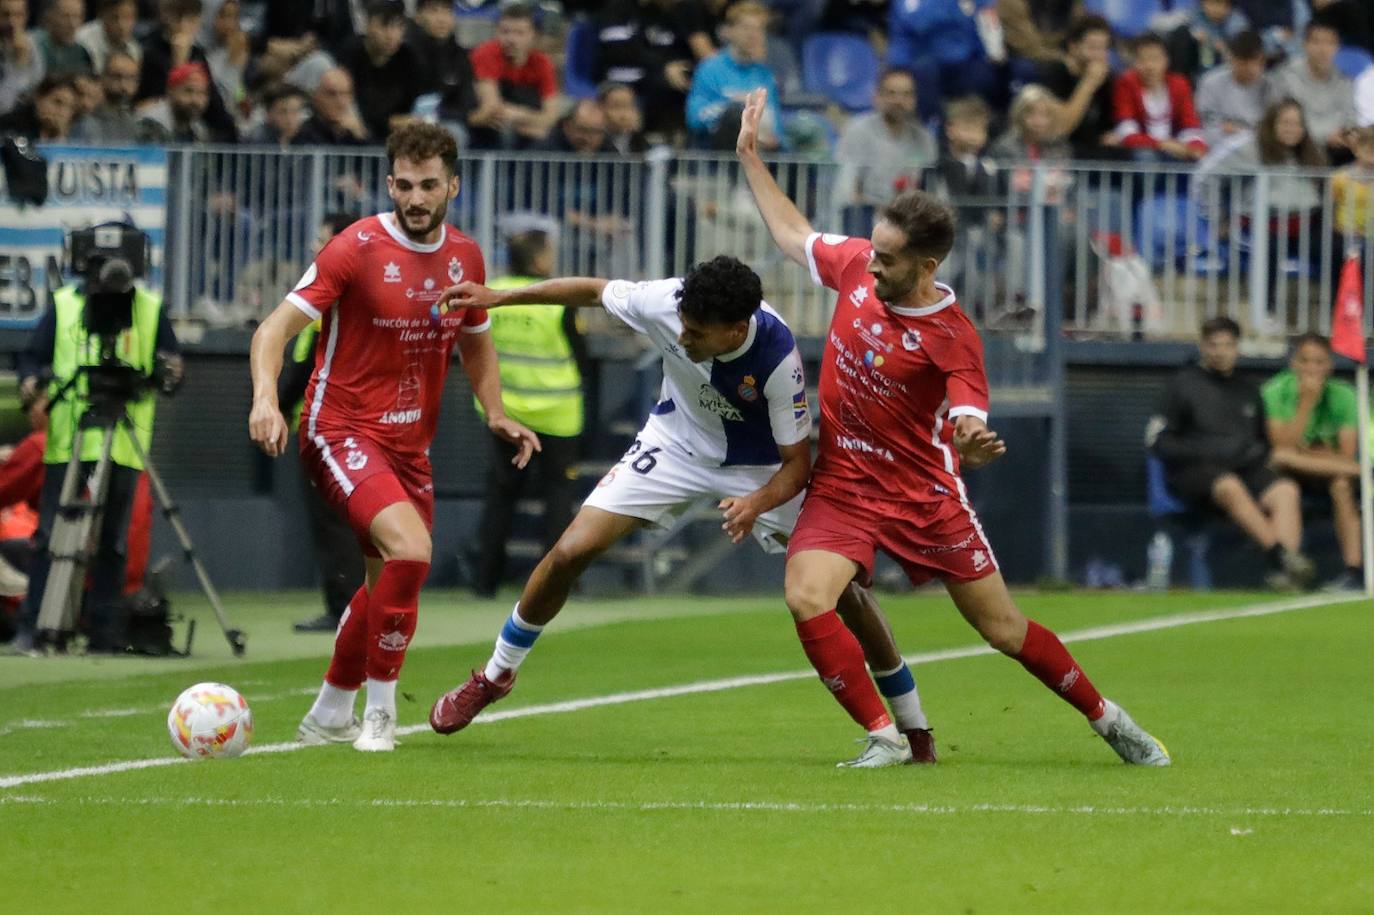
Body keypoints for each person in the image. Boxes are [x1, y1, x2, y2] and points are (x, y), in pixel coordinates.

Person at [735, 87, 1170, 766]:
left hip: (924, 497)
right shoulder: (854, 266)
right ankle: (889, 736)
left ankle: (1109, 718)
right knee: (806, 593)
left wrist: (970, 436)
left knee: (1003, 628)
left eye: (887, 258)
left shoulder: (952, 337)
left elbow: (968, 409)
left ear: (927, 267)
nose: (870, 263)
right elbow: (793, 234)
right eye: (872, 251)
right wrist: (750, 158)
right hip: (844, 485)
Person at [429, 255, 939, 766]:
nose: (684, 338)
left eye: (697, 333)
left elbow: (796, 466)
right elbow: (591, 290)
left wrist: (754, 504)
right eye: (683, 326)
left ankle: (913, 724)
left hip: (758, 470)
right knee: (570, 551)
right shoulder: (668, 302)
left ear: (736, 329)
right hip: (674, 446)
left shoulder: (778, 359)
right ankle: (495, 675)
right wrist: (501, 296)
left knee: (842, 590)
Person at [248, 122, 540, 753]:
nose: (415, 197)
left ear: (452, 186)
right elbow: (272, 331)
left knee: (385, 583)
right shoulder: (353, 249)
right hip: (338, 428)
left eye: (428, 185)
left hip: (410, 448)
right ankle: (381, 714)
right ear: (389, 184)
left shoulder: (466, 257)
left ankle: (330, 711)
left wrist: (494, 410)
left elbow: (476, 339)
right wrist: (267, 399)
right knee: (410, 551)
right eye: (404, 185)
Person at [12, 223, 183, 653]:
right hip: (68, 440)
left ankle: (104, 635)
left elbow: (171, 366)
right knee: (50, 535)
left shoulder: (149, 306)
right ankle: (36, 627)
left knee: (113, 541)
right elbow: (32, 357)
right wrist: (31, 381)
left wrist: (171, 370)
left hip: (122, 442)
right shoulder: (63, 304)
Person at [1148, 317, 1315, 590]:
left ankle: (1286, 576)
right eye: (1214, 345)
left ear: (1237, 348)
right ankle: (1281, 557)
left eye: (1227, 345)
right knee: (1230, 486)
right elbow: (1157, 440)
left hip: (1244, 469)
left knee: (1285, 490)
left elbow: (1262, 442)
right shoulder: (1181, 386)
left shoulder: (1249, 391)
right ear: (1203, 346)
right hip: (1194, 475)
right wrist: (1202, 452)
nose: (1221, 352)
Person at [469, 227, 586, 597]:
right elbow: (580, 355)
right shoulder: (558, 299)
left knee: (501, 496)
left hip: (506, 413)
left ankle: (485, 582)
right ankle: (554, 585)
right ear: (538, 260)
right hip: (557, 414)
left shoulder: (493, 294)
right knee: (557, 499)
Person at [275, 212, 367, 633]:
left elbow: (302, 372)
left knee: (334, 523)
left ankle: (344, 609)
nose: (316, 247)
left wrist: (271, 405)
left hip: (330, 430)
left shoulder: (328, 304)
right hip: (363, 429)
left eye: (322, 239)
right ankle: (360, 607)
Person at [1262, 333, 1362, 591]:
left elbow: (1345, 454)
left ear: (1329, 365)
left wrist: (1305, 453)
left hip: (1328, 474)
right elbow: (1281, 446)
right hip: (1285, 472)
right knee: (1281, 463)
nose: (1312, 369)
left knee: (1342, 484)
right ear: (1294, 363)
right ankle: (1290, 570)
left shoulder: (1344, 395)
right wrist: (1306, 403)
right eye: (1305, 361)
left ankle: (1353, 571)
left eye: (1319, 362)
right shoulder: (1274, 391)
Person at [593, 0, 714, 135]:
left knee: (684, 83)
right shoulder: (617, 8)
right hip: (620, 77)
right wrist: (664, 66)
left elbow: (669, 50)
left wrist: (677, 68)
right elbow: (619, 51)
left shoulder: (661, 13)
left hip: (654, 76)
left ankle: (672, 142)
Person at [684, 1, 783, 150]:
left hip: (761, 151)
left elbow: (775, 123)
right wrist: (733, 104)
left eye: (758, 29)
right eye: (746, 28)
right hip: (719, 154)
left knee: (808, 128)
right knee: (735, 115)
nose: (752, 35)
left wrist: (775, 138)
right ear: (729, 31)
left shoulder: (764, 75)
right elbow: (695, 119)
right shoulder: (710, 68)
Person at [834, 69, 937, 208]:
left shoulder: (924, 138)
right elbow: (846, 190)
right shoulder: (858, 130)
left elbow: (932, 190)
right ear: (877, 96)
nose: (899, 101)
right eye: (891, 93)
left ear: (914, 99)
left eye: (906, 94)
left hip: (909, 218)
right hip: (863, 217)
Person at [886, 0, 1003, 123]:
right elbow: (900, 40)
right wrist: (897, 68)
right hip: (925, 66)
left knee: (991, 75)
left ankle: (983, 128)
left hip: (966, 63)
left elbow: (987, 22)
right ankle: (932, 126)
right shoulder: (904, 4)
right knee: (923, 73)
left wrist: (993, 52)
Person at [468, 3, 561, 149]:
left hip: (524, 125)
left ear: (533, 35)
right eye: (505, 32)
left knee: (546, 137)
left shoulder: (543, 63)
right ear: (497, 32)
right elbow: (494, 110)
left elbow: (551, 115)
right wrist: (532, 119)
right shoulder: (485, 53)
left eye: (519, 33)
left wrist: (521, 115)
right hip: (486, 128)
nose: (511, 39)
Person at [1263, 20, 1356, 160]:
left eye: (1330, 43)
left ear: (1337, 47)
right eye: (1316, 42)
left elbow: (1350, 118)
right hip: (1295, 148)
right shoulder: (1285, 76)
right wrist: (1325, 136)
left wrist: (1343, 133)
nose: (1323, 49)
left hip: (1334, 150)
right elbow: (1277, 121)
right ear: (1304, 45)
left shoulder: (1344, 80)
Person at [1112, 33, 1208, 161]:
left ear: (1166, 60)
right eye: (1143, 60)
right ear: (1135, 63)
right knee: (1145, 156)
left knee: (1199, 157)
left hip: (1175, 148)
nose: (1150, 66)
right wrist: (1162, 144)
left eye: (1155, 59)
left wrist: (1195, 147)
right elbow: (1127, 133)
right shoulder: (1126, 83)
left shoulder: (1179, 84)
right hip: (1143, 151)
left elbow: (1190, 125)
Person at [337, 0, 423, 141]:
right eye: (384, 26)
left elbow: (415, 106)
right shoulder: (349, 55)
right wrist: (389, 122)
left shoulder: (409, 58)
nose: (392, 35)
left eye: (399, 26)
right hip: (359, 132)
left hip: (398, 136)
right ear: (367, 24)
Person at [1038, 14, 1120, 161]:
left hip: (1093, 152)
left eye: (1104, 48)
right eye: (1093, 47)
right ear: (1073, 47)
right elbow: (1062, 128)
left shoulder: (1107, 79)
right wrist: (1088, 83)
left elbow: (1108, 127)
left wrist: (1112, 136)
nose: (1099, 55)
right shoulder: (1054, 73)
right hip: (1059, 153)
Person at [1195, 30, 1267, 149]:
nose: (1249, 68)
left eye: (1254, 62)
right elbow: (1208, 129)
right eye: (1243, 63)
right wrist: (1249, 132)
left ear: (1263, 60)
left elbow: (1271, 131)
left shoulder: (1270, 86)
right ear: (1231, 59)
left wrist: (1236, 129)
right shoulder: (1210, 83)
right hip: (1220, 151)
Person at [1164, 0, 1251, 83]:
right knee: (1182, 35)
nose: (1215, 9)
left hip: (1228, 69)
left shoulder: (1237, 22)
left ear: (1228, 6)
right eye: (1211, 3)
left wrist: (1222, 48)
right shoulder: (1197, 15)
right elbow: (1178, 29)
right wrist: (1193, 35)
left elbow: (1242, 53)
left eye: (1220, 3)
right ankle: (1182, 80)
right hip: (1202, 64)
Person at [70, 49, 140, 142]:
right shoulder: (83, 117)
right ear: (103, 77)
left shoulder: (132, 123)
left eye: (131, 78)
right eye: (117, 77)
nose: (124, 85)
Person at [292, 66, 370, 146]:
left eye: (346, 94)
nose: (340, 102)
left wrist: (362, 137)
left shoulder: (359, 131)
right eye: (332, 94)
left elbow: (377, 155)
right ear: (316, 97)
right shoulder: (302, 133)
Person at [0, 0, 44, 116]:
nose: (12, 22)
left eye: (18, 15)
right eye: (6, 15)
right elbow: (4, 106)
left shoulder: (30, 45)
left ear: (26, 16)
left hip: (24, 119)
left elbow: (37, 86)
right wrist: (17, 67)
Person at [0, 74, 77, 140]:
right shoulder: (10, 125)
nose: (62, 112)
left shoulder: (65, 132)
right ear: (38, 98)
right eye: (57, 102)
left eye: (70, 107)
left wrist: (59, 139)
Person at [76, 0, 140, 75]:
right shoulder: (83, 41)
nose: (121, 25)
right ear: (102, 15)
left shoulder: (134, 49)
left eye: (127, 17)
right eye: (115, 17)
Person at [31, 0, 92, 78]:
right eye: (66, 16)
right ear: (49, 16)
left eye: (77, 17)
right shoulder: (34, 45)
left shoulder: (80, 51)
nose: (72, 24)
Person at [598, 81, 648, 154]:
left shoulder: (641, 142)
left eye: (629, 106)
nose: (624, 115)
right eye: (616, 106)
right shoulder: (594, 142)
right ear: (600, 108)